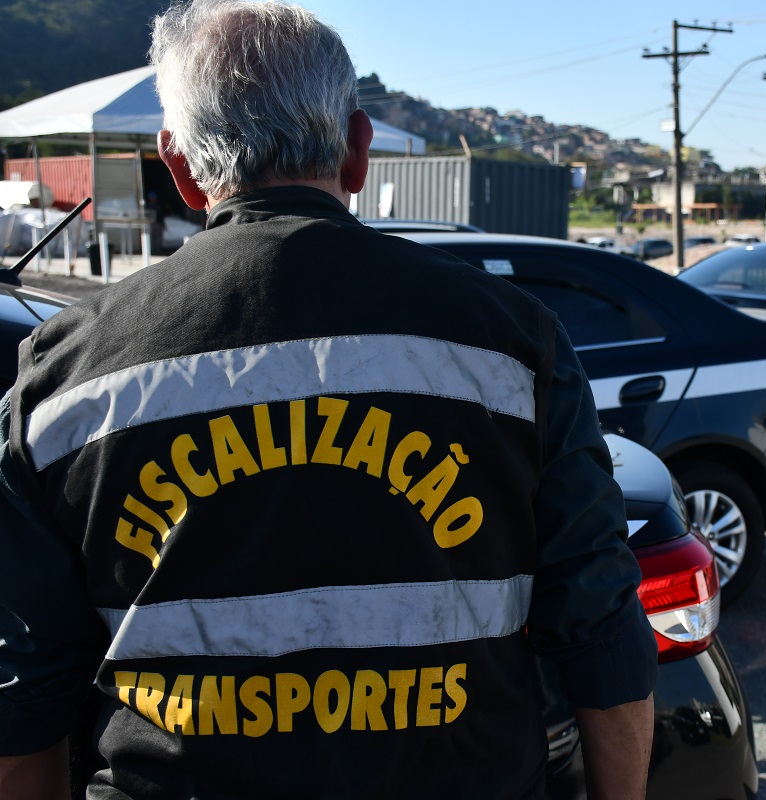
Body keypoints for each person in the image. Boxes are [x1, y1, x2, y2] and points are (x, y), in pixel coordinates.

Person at [0, 1, 656, 797]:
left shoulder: (63, 377)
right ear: (358, 150)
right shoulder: (516, 344)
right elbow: (600, 632)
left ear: (179, 166)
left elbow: (23, 690)